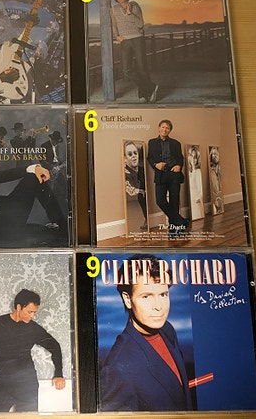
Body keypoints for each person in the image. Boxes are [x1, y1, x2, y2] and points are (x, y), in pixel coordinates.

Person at [100, 255, 192, 411]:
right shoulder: (118, 365)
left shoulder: (167, 330)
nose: (158, 306)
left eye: (163, 294)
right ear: (128, 299)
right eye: (146, 296)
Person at [0, 289, 65, 412]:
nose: (32, 316)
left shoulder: (33, 329)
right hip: (3, 385)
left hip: (27, 387)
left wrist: (58, 374)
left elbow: (55, 346)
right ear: (18, 307)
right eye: (29, 312)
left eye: (34, 312)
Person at [110, 0, 158, 103]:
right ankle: (151, 86)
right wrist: (116, 36)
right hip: (125, 41)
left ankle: (143, 93)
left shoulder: (134, 6)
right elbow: (113, 24)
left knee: (142, 67)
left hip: (137, 39)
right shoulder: (113, 9)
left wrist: (129, 13)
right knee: (126, 70)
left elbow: (140, 24)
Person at [147, 120, 188, 237]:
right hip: (160, 174)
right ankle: (181, 221)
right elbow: (150, 158)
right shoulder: (152, 142)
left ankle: (174, 230)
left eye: (167, 128)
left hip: (174, 175)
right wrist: (156, 165)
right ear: (159, 128)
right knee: (160, 200)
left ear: (170, 130)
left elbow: (180, 158)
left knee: (174, 201)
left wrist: (179, 166)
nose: (165, 130)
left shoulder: (176, 143)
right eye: (163, 127)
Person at [124, 141, 147, 229]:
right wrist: (141, 191)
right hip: (137, 192)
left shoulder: (142, 169)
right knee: (141, 198)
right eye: (130, 154)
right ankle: (146, 219)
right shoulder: (126, 173)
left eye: (135, 153)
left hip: (143, 187)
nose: (134, 156)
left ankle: (147, 219)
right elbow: (130, 189)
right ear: (125, 159)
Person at [187, 145, 204, 220]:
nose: (194, 160)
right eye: (192, 157)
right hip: (191, 200)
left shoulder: (197, 171)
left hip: (196, 201)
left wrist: (197, 199)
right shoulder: (189, 172)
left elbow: (200, 189)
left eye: (196, 157)